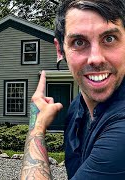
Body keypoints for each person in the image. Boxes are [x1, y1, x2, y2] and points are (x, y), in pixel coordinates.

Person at [20, 0, 125, 179]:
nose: (96, 59)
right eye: (79, 42)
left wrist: (36, 126)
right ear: (60, 50)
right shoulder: (77, 106)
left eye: (109, 39)